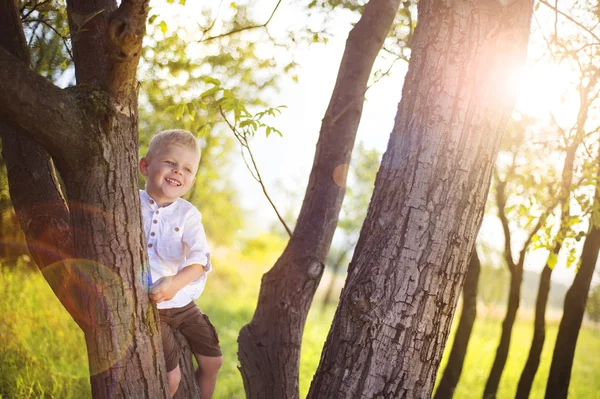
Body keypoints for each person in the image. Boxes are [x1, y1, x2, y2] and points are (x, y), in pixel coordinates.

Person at [139, 129, 223, 398]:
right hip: (153, 309)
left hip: (183, 303)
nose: (178, 172)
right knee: (171, 378)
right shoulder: (129, 202)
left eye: (186, 169)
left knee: (213, 362)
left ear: (191, 181)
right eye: (170, 163)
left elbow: (201, 259)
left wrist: (176, 282)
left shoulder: (187, 214)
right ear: (146, 165)